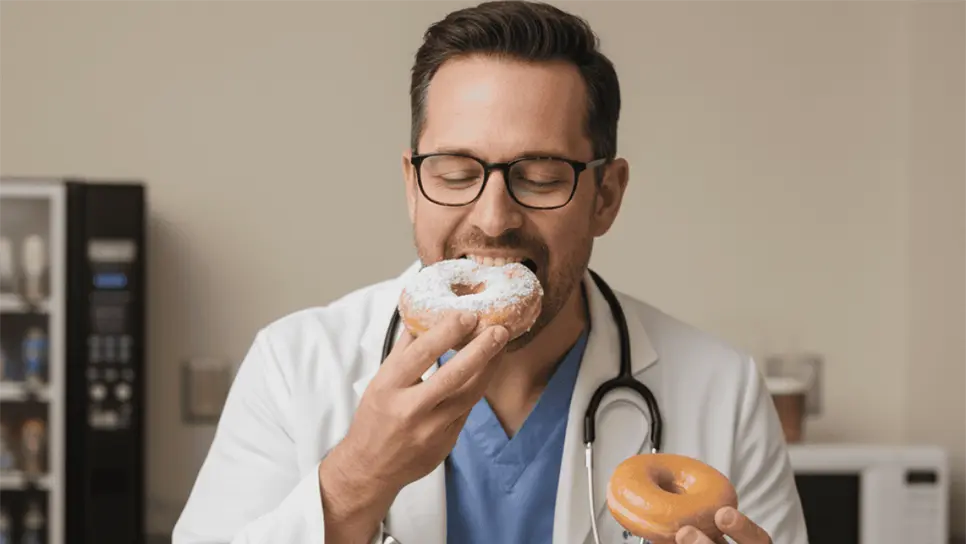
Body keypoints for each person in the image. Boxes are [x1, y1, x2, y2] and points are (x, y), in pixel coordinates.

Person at [172, 2, 809, 543]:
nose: (494, 218)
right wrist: (356, 478)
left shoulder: (721, 389)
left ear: (606, 197)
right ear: (412, 186)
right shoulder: (293, 368)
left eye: (541, 177)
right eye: (456, 173)